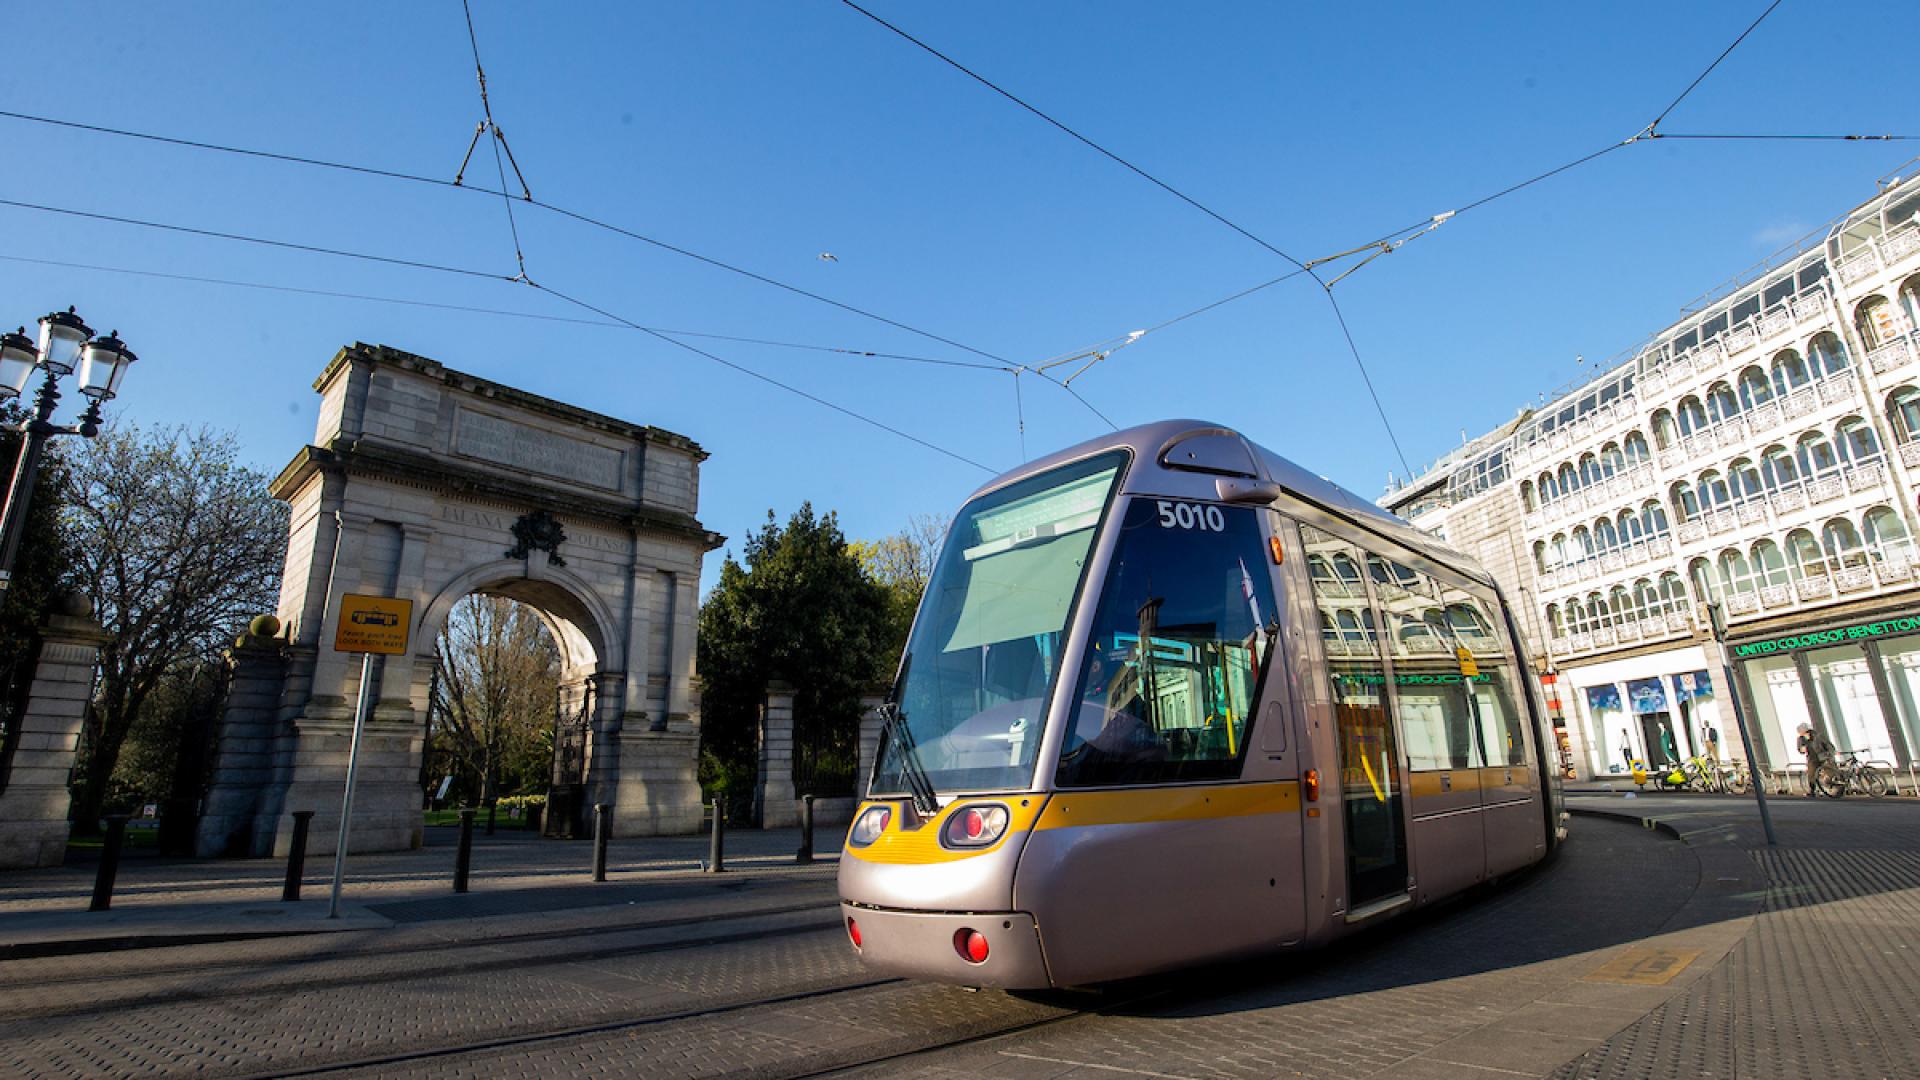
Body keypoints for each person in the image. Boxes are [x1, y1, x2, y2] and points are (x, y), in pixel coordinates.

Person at [1797, 721, 1835, 797]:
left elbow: (1829, 746)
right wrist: (1802, 749)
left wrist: (1829, 754)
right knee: (1811, 774)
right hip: (1812, 758)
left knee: (1830, 771)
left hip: (1823, 756)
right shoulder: (1801, 739)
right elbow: (1800, 749)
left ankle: (1833, 787)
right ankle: (1813, 790)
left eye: (1802, 732)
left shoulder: (1818, 736)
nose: (1802, 734)